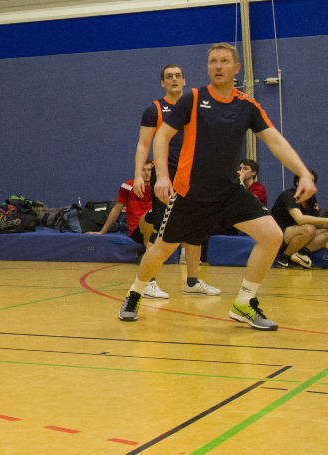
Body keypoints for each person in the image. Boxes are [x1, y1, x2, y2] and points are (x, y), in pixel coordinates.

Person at [119, 43, 316, 330]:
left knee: (272, 235)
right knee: (161, 249)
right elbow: (161, 137)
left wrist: (303, 172)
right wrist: (162, 177)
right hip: (190, 194)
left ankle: (244, 303)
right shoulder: (193, 99)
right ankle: (135, 293)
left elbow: (275, 140)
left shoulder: (247, 105)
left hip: (228, 190)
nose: (218, 66)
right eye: (213, 61)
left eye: (224, 61)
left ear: (237, 68)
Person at [132, 63, 219, 298]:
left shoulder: (196, 108)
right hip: (166, 177)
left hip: (193, 176)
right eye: (169, 76)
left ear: (184, 80)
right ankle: (148, 281)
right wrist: (139, 174)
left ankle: (192, 282)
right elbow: (143, 144)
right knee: (161, 228)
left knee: (195, 228)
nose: (174, 79)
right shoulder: (154, 110)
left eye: (178, 76)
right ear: (163, 83)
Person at [270, 168, 328, 268]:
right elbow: (300, 219)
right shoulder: (289, 195)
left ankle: (301, 254)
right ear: (297, 182)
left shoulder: (311, 198)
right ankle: (284, 258)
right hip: (278, 232)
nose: (309, 183)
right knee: (309, 229)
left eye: (311, 181)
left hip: (297, 232)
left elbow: (316, 221)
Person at [93, 161, 155, 245]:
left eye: (149, 170)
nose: (146, 173)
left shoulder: (158, 187)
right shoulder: (128, 186)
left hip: (155, 226)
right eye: (143, 170)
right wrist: (102, 231)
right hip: (136, 229)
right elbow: (116, 209)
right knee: (149, 218)